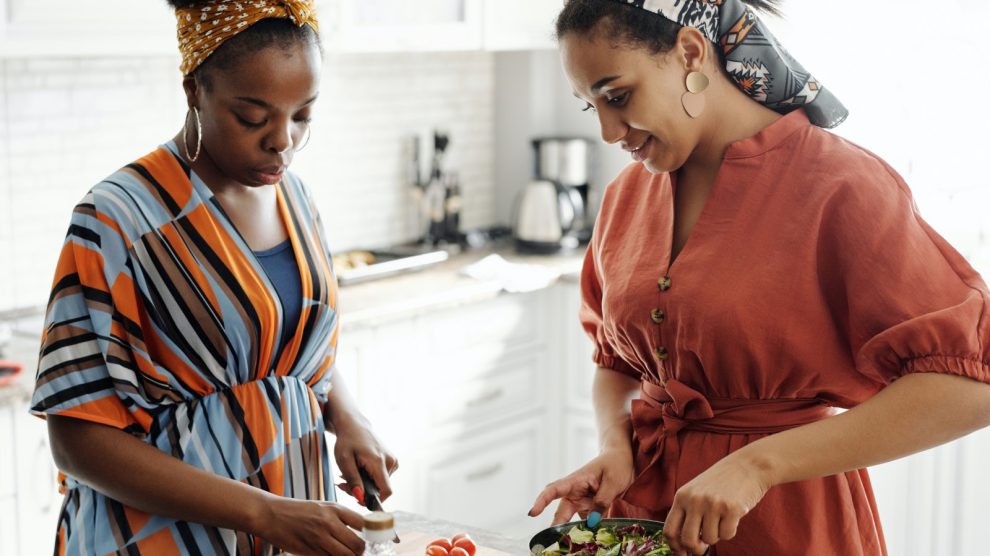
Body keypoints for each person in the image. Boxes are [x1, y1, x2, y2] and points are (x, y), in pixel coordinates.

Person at [527, 1, 990, 554]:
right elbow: (616, 359)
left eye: (618, 96)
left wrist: (757, 466)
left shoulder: (842, 185)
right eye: (590, 107)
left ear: (691, 53)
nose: (607, 132)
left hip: (787, 524)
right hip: (643, 525)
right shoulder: (626, 196)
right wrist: (615, 447)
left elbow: (970, 386)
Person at [29, 1, 397, 554]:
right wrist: (263, 512)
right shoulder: (119, 217)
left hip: (282, 526)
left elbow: (286, 344)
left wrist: (347, 417)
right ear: (194, 90)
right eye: (253, 117)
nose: (283, 142)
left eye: (303, 116)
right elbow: (77, 440)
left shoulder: (295, 197)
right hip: (156, 539)